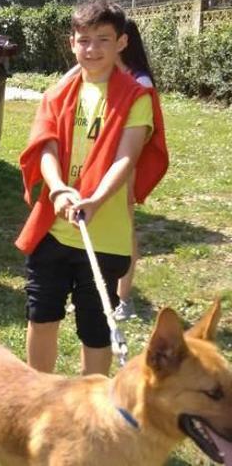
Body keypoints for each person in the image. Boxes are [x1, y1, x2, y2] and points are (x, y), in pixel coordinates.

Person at [16, 1, 168, 376]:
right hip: (54, 229)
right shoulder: (56, 94)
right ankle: (39, 399)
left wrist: (97, 199)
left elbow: (126, 157)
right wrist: (57, 189)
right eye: (84, 40)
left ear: (121, 42)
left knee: (96, 330)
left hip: (105, 237)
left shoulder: (137, 97)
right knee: (41, 315)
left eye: (103, 39)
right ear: (71, 43)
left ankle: (93, 411)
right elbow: (45, 148)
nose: (92, 48)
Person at [111, 18, 155, 322]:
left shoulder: (141, 83)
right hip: (96, 164)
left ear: (123, 42)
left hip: (123, 165)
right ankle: (101, 291)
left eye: (105, 38)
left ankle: (124, 298)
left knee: (123, 228)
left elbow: (142, 136)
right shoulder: (106, 76)